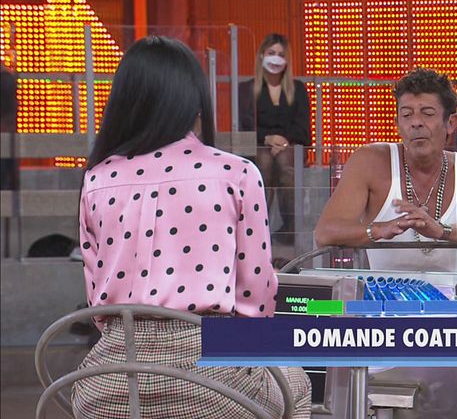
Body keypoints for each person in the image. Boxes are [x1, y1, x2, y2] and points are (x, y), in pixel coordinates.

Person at [73, 36, 310, 419]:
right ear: (196, 101)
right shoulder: (236, 173)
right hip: (211, 373)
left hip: (110, 378)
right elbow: (256, 299)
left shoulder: (97, 178)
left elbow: (98, 305)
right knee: (296, 383)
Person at [314, 68, 457, 273]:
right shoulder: (370, 161)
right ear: (398, 124)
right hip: (386, 293)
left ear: (451, 123)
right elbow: (325, 233)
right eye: (407, 115)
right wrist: (379, 229)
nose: (416, 123)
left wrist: (442, 231)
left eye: (427, 113)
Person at [239, 33, 310, 244]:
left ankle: (290, 229)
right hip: (258, 145)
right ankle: (256, 228)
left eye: (281, 54)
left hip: (290, 145)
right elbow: (245, 126)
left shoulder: (297, 88)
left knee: (285, 160)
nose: (276, 58)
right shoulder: (247, 88)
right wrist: (268, 138)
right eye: (271, 53)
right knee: (264, 161)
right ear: (262, 55)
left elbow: (303, 127)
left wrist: (283, 141)